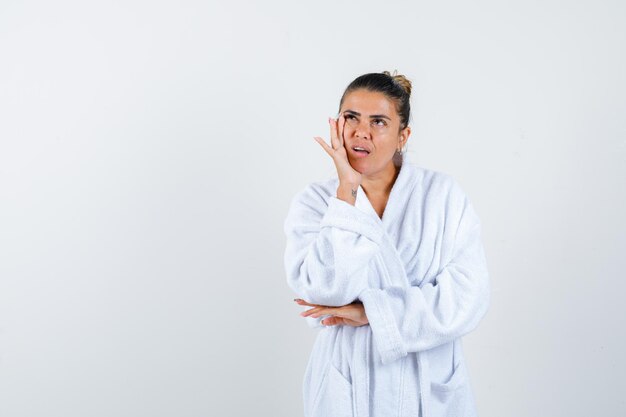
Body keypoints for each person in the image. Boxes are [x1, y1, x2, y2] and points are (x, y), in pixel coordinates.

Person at [283, 70, 491, 417]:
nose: (360, 131)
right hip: (347, 382)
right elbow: (323, 293)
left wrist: (373, 313)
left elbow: (468, 298)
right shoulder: (316, 202)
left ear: (402, 136)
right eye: (351, 117)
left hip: (428, 385)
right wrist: (346, 193)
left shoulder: (442, 196)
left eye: (378, 121)